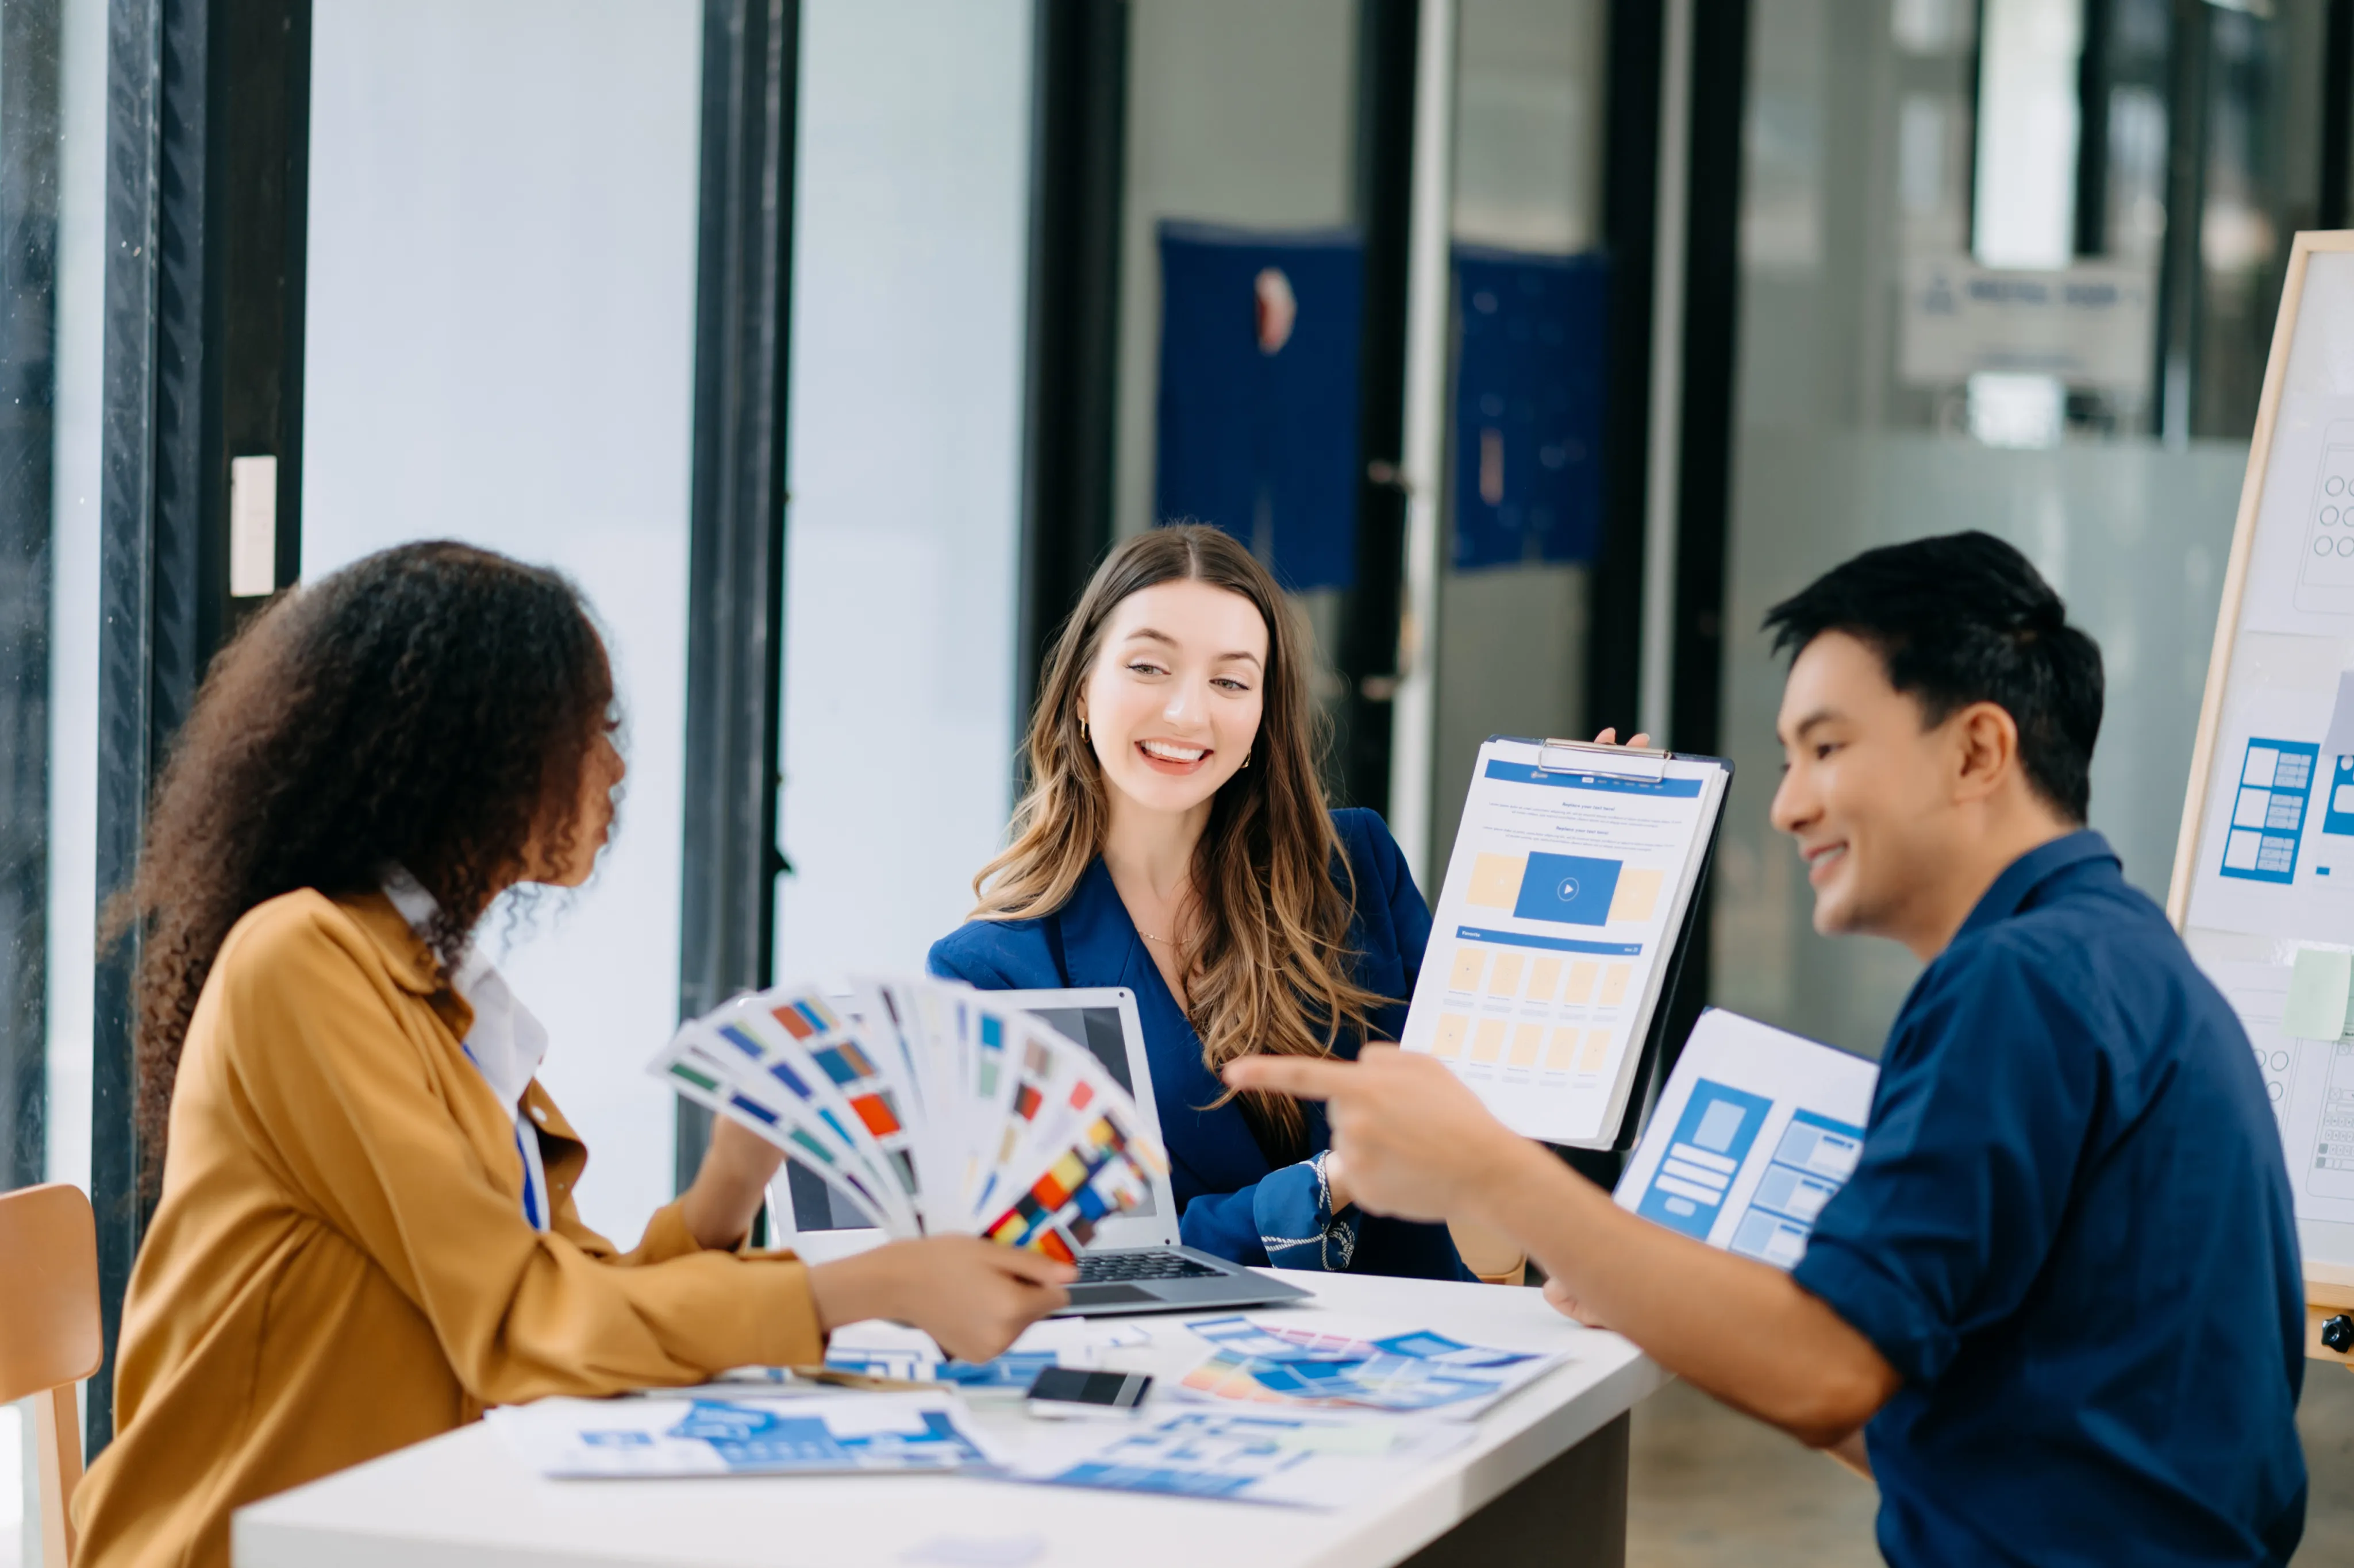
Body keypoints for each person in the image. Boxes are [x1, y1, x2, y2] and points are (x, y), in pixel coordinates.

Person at [1228, 531, 2307, 1565]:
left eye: (1828, 750)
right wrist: (1648, 1282)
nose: (1789, 807)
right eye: (1787, 757)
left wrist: (1492, 1168)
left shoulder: (2018, 985)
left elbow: (1825, 1372)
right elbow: (1933, 1410)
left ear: (1979, 748)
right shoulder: (2104, 955)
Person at [73, 542, 1074, 1568]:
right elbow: (524, 1326)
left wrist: (729, 1186)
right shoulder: (304, 960)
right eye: (591, 731)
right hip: (247, 1542)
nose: (617, 768)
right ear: (472, 750)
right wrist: (875, 1287)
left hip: (412, 1519)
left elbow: (568, 1300)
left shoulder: (435, 989)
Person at [930, 525, 1467, 1280]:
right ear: (1083, 690)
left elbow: (1489, 1080)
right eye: (1150, 667)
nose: (1187, 714)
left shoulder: (1355, 867)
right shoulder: (996, 969)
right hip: (1183, 1374)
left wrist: (1615, 874)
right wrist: (1323, 1186)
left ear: (1259, 719)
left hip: (1427, 1344)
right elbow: (1076, 1253)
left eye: (1230, 681)